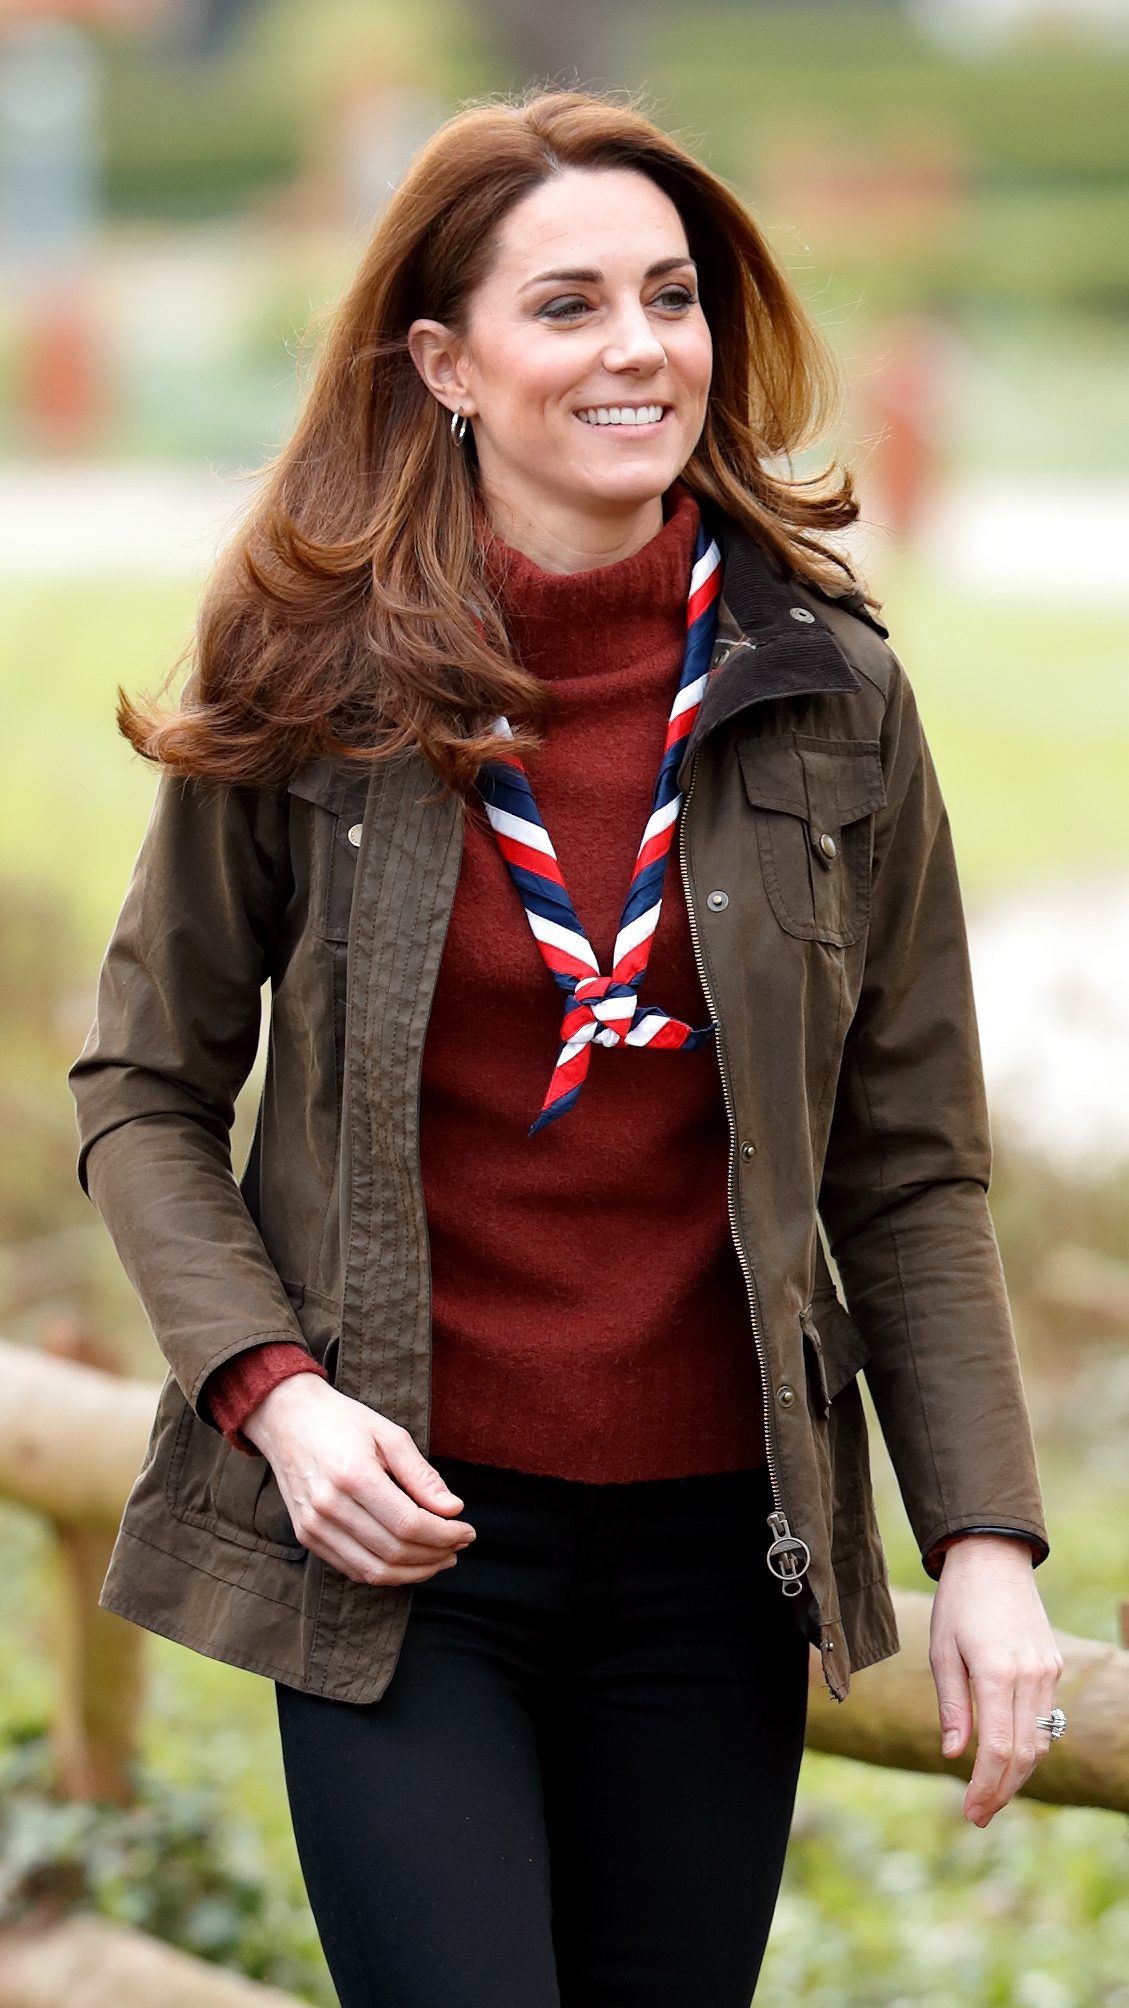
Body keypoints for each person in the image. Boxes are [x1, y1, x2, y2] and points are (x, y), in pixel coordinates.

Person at [71, 90, 1063, 2008]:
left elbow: (907, 1158)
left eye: (672, 297)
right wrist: (273, 1394)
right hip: (399, 1550)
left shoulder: (831, 693)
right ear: (441, 360)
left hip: (714, 1553)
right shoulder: (311, 673)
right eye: (569, 304)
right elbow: (143, 1088)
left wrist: (986, 1539)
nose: (639, 349)